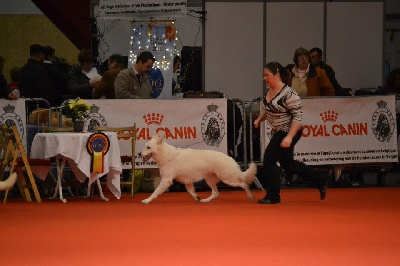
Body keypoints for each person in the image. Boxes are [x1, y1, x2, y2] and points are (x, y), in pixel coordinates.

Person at [254, 61, 329, 204]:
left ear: (276, 74)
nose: (264, 78)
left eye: (266, 75)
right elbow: (268, 109)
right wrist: (259, 119)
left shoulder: (289, 94)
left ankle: (273, 196)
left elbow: (298, 117)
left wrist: (289, 137)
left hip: (289, 131)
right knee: (287, 163)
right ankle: (321, 179)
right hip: (279, 131)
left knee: (269, 159)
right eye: (263, 75)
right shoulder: (269, 91)